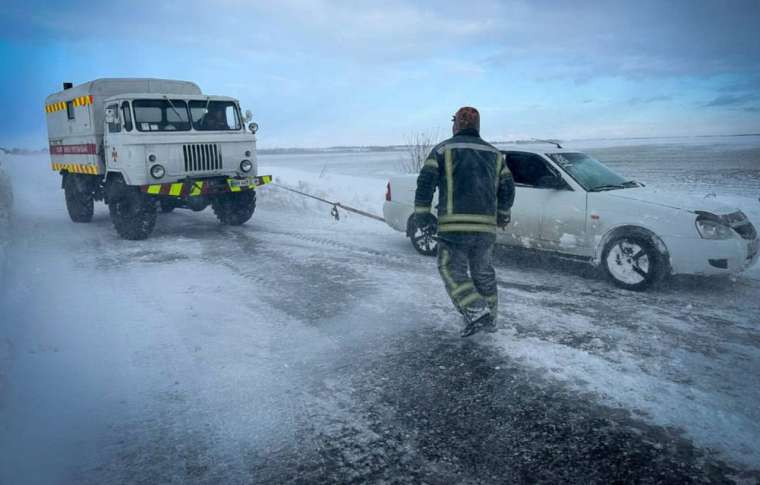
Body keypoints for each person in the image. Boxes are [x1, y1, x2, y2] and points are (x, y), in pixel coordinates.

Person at [414, 107, 515, 337]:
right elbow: (507, 187)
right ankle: (490, 321)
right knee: (483, 273)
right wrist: (503, 214)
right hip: (485, 229)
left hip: (454, 227)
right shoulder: (495, 154)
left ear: (456, 125)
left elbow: (425, 183)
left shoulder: (442, 150)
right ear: (477, 126)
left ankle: (477, 313)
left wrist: (422, 215)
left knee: (450, 269)